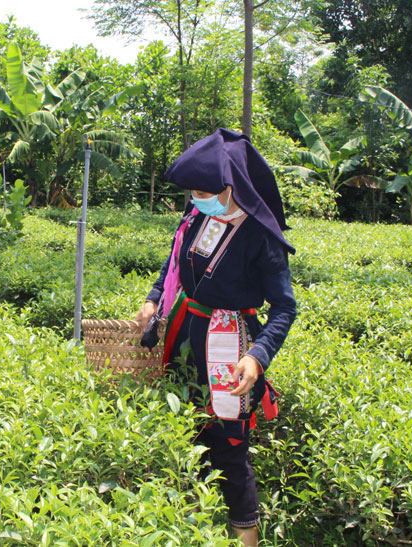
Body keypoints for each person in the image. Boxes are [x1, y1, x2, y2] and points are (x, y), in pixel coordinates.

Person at [135, 129, 296, 545]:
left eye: (204, 192)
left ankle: (246, 538)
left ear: (232, 187)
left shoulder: (261, 235)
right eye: (193, 192)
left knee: (229, 450)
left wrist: (258, 356)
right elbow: (172, 263)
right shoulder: (198, 216)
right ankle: (192, 530)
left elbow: (285, 307)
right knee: (185, 436)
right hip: (185, 339)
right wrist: (154, 298)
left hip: (230, 348)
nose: (197, 198)